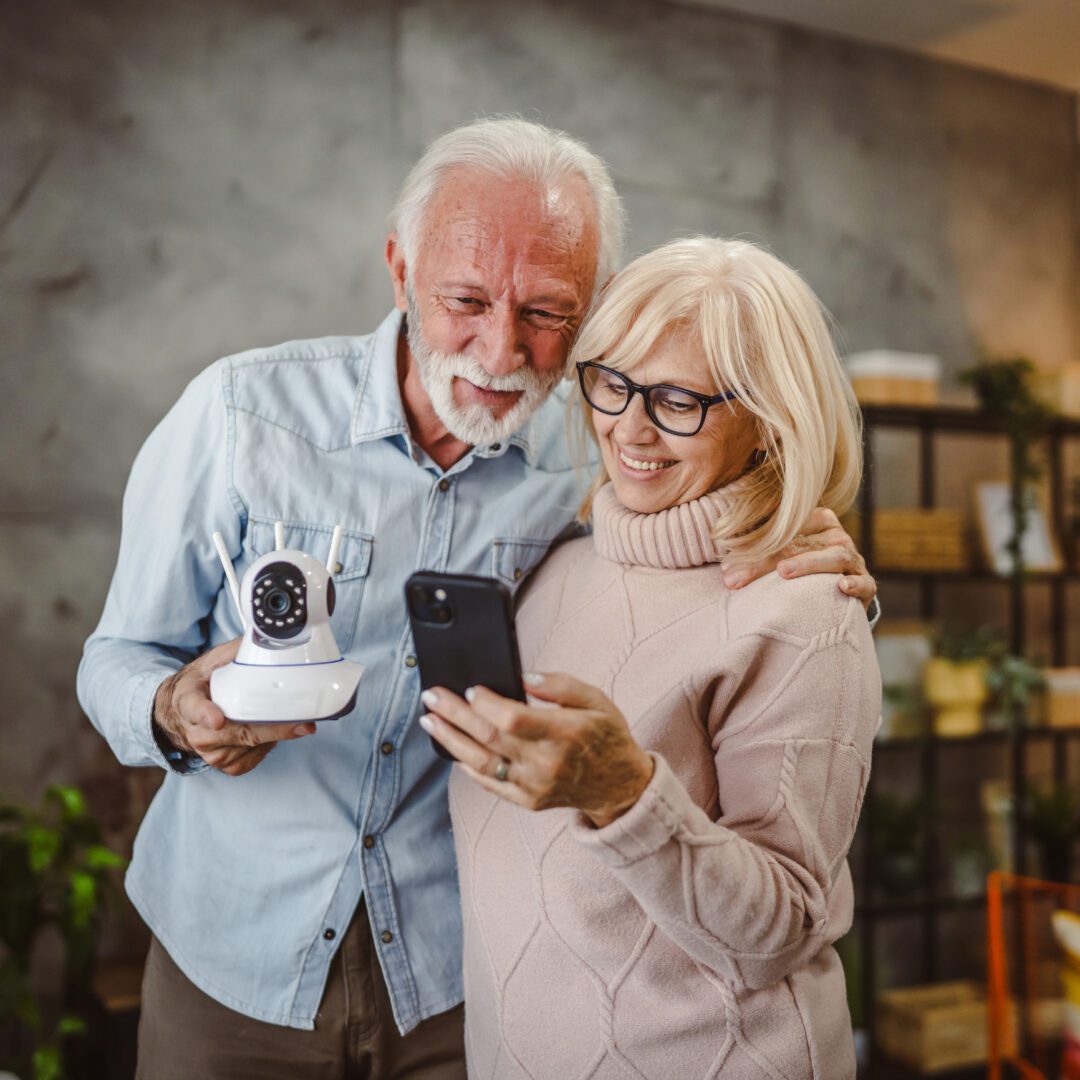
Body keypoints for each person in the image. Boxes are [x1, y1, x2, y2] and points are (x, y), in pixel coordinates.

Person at [77, 119, 877, 1079]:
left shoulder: (592, 450)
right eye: (465, 300)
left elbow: (706, 544)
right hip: (232, 958)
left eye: (548, 313)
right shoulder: (241, 417)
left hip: (457, 983)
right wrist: (171, 711)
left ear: (594, 310)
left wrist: (803, 538)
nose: (503, 350)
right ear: (399, 268)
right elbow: (117, 654)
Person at [421, 236, 881, 1080]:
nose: (629, 428)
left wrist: (624, 794)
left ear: (769, 416)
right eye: (614, 382)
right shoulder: (556, 564)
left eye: (677, 399)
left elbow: (779, 930)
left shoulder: (804, 610)